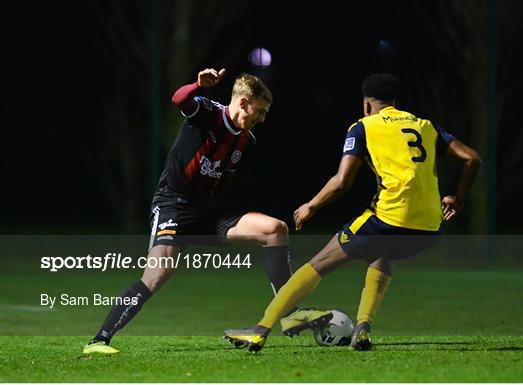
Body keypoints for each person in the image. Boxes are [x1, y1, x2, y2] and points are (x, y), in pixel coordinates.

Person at [224, 73, 481, 352]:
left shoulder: (363, 126)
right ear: (394, 101)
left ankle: (260, 330)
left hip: (388, 219)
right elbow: (472, 158)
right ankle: (363, 329)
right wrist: (459, 199)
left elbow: (342, 182)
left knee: (318, 263)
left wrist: (312, 205)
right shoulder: (425, 126)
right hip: (430, 226)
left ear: (367, 104)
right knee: (383, 254)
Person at [83, 68, 329, 354]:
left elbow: (222, 178)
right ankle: (99, 341)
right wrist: (198, 85)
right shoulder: (210, 113)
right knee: (156, 275)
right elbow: (179, 99)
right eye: (260, 111)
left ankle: (288, 313)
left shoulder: (246, 141)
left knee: (275, 229)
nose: (263, 119)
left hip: (209, 212)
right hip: (174, 205)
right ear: (243, 102)